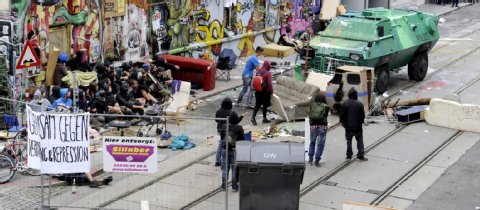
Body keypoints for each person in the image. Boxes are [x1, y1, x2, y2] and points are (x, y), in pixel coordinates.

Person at [214, 97, 245, 167]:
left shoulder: (218, 111)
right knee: (225, 146)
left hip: (220, 130)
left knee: (221, 144)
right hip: (229, 131)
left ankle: (218, 160)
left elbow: (216, 119)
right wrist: (241, 117)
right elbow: (236, 121)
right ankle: (222, 160)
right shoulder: (231, 113)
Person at [340, 88, 367, 161]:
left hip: (348, 126)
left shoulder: (345, 103)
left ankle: (349, 155)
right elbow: (362, 116)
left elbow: (342, 115)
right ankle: (360, 155)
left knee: (349, 140)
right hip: (358, 126)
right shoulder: (360, 104)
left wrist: (342, 123)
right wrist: (361, 122)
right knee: (359, 141)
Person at [220, 112, 245, 192]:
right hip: (234, 150)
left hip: (225, 150)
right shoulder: (239, 128)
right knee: (234, 169)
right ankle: (234, 187)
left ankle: (224, 186)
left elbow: (221, 138)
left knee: (225, 169)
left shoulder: (224, 126)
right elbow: (242, 140)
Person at [308, 93, 329, 166]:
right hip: (322, 127)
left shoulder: (312, 105)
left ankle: (310, 159)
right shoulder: (326, 107)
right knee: (320, 144)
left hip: (313, 127)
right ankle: (317, 160)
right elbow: (325, 116)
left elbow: (310, 115)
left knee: (312, 143)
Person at [251, 60, 273, 125]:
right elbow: (269, 84)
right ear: (268, 65)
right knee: (265, 105)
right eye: (269, 64)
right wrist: (271, 92)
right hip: (265, 92)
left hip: (258, 91)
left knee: (258, 105)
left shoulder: (258, 71)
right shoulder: (268, 73)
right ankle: (264, 118)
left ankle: (254, 117)